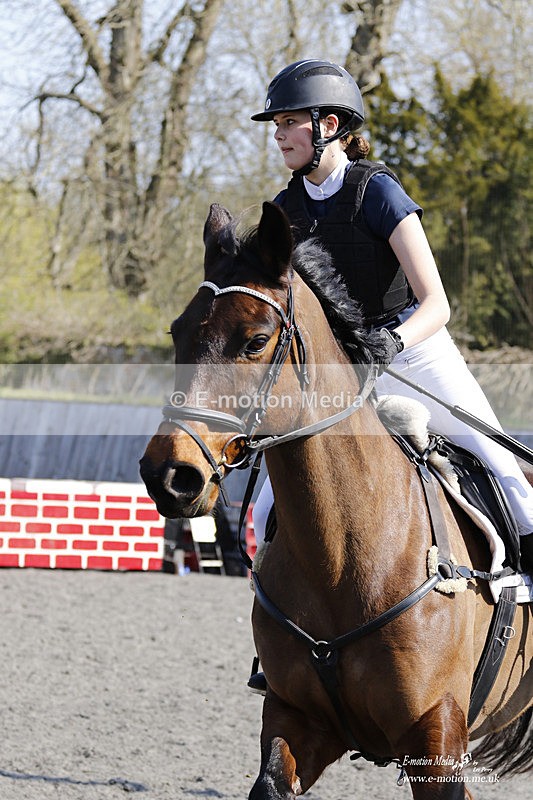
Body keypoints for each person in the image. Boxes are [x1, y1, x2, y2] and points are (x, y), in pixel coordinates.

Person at [249, 58, 533, 573]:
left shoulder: (377, 192)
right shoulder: (284, 209)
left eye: (289, 122)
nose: (279, 135)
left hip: (414, 355)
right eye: (277, 124)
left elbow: (437, 303)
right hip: (342, 372)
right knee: (267, 508)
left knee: (508, 480)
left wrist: (392, 343)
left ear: (328, 125)